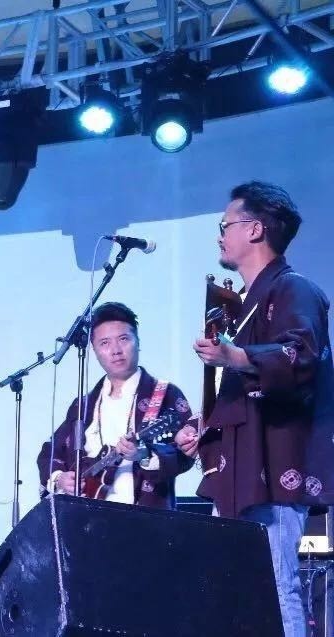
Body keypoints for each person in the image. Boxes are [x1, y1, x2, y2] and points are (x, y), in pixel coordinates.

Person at [176, 181, 334, 637]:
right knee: (233, 590)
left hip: (274, 467)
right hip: (239, 470)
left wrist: (237, 356)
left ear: (255, 229)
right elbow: (238, 398)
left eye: (225, 225)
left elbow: (299, 357)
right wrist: (203, 429)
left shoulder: (294, 289)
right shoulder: (242, 305)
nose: (219, 236)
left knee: (277, 583)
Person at [37, 302, 194, 507]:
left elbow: (186, 452)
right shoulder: (83, 405)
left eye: (123, 339)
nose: (116, 350)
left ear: (138, 341)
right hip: (85, 515)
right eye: (105, 343)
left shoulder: (165, 394)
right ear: (94, 350)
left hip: (145, 515)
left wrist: (145, 454)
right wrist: (59, 478)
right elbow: (50, 451)